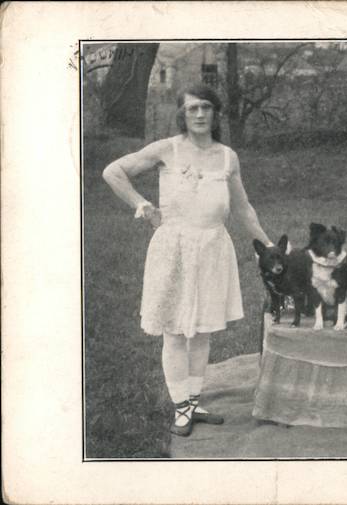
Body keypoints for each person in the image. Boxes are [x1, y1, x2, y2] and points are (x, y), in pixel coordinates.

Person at [102, 84, 273, 436]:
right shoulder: (167, 149)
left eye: (206, 108)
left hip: (213, 248)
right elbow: (113, 172)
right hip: (175, 248)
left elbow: (243, 208)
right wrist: (141, 204)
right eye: (192, 108)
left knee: (204, 330)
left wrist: (268, 245)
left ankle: (194, 401)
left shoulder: (228, 157)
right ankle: (180, 405)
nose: (199, 114)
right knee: (177, 331)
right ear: (182, 114)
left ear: (215, 113)